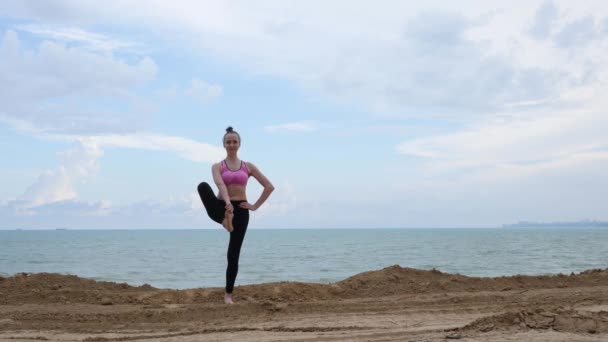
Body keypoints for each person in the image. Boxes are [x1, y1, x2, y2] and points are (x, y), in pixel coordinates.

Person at [197, 126, 274, 304]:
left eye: (234, 141)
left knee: (233, 254)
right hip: (222, 205)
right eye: (228, 142)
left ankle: (228, 295)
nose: (231, 144)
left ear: (239, 144)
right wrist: (228, 203)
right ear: (224, 144)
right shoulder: (217, 166)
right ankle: (225, 220)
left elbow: (269, 186)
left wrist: (255, 206)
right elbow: (221, 185)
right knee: (202, 186)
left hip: (241, 210)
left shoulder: (248, 166)